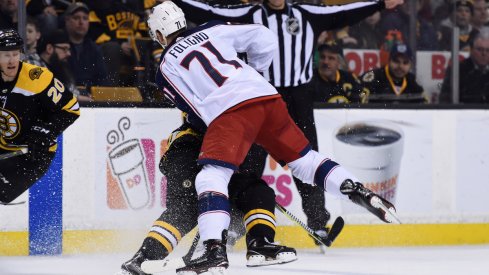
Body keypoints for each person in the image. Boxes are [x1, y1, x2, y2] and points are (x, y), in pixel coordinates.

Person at [147, 2, 398, 274]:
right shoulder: (212, 30)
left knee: (212, 176)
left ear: (159, 35)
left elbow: (193, 110)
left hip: (229, 112)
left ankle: (213, 251)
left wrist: (221, 130)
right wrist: (254, 73)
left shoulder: (165, 69)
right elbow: (264, 37)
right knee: (305, 160)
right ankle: (356, 189)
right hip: (266, 95)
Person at [118, 122, 297, 275]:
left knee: (257, 192)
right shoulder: (222, 91)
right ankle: (145, 256)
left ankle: (260, 243)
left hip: (223, 150)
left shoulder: (252, 116)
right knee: (186, 208)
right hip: (190, 147)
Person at [0, 29, 80, 204]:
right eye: (6, 55)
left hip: (34, 155)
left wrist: (45, 131)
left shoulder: (38, 78)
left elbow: (72, 108)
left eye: (15, 54)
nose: (12, 60)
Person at [63, 2, 109, 96]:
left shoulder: (95, 49)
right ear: (66, 20)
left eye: (85, 18)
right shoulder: (58, 47)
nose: (81, 22)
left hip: (90, 99)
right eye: (76, 18)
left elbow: (103, 80)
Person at [361, 43, 429, 104]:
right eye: (396, 61)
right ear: (389, 61)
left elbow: (424, 103)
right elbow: (359, 100)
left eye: (405, 63)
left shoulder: (412, 80)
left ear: (410, 65)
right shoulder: (375, 77)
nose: (400, 66)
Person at [439, 27, 489, 103]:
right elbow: (445, 99)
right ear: (471, 50)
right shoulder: (457, 70)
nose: (484, 54)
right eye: (479, 49)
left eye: (488, 50)